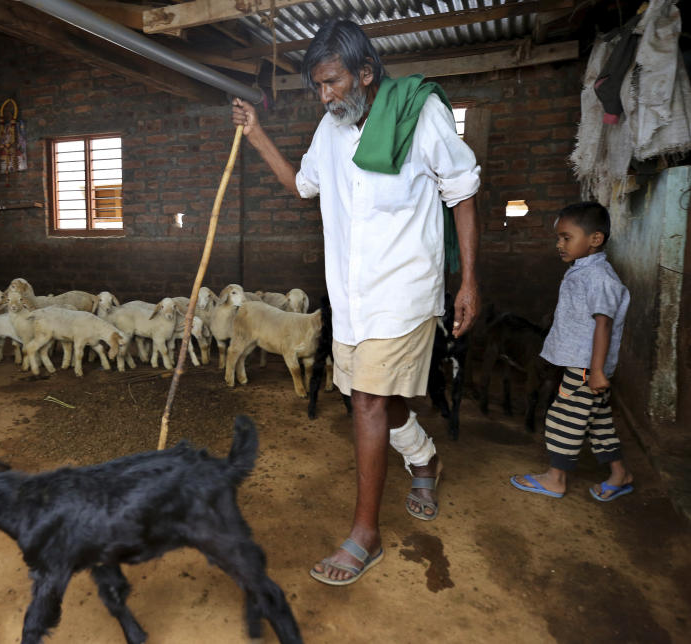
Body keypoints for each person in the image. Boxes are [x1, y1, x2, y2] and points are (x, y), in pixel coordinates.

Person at [231, 19, 480, 585]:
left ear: (365, 73)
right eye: (318, 86)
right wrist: (257, 135)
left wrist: (469, 282)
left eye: (332, 82)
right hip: (351, 296)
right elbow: (303, 186)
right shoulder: (331, 129)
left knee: (367, 398)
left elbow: (462, 191)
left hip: (405, 292)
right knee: (374, 396)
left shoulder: (420, 116)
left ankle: (364, 535)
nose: (325, 96)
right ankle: (424, 457)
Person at [510, 201, 633, 502]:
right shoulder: (584, 271)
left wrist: (597, 371)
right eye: (559, 238)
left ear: (595, 240)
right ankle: (620, 474)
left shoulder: (599, 279)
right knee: (598, 423)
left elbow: (603, 325)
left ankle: (556, 478)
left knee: (562, 419)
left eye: (566, 237)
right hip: (588, 367)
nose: (559, 244)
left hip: (586, 368)